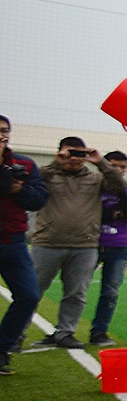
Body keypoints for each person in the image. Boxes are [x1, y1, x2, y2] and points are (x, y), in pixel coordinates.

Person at [24, 135, 125, 351]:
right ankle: (16, 333)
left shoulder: (96, 178)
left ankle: (65, 332)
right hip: (47, 243)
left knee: (76, 293)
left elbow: (120, 185)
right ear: (61, 152)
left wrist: (100, 162)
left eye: (79, 153)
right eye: (70, 153)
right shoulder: (48, 175)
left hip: (84, 246)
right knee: (32, 291)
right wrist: (56, 163)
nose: (74, 158)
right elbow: (31, 182)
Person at [0, 114, 49, 374]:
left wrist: (19, 189)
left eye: (4, 130)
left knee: (29, 295)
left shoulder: (24, 164)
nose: (1, 135)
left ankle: (2, 348)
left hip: (13, 240)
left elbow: (39, 199)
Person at [88, 150, 127, 347]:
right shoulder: (93, 188)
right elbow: (93, 215)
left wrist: (121, 193)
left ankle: (99, 332)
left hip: (119, 246)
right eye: (113, 166)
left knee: (110, 292)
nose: (119, 170)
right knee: (77, 289)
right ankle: (65, 331)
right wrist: (116, 212)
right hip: (90, 244)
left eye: (122, 167)